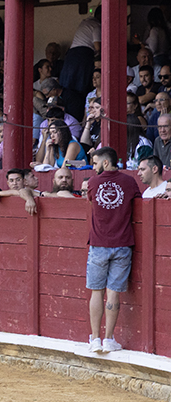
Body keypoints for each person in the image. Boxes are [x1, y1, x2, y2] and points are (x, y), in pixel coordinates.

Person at [85, 146, 142, 354]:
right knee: (113, 293)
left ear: (105, 162)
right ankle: (109, 339)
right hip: (122, 243)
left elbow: (90, 200)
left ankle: (95, 339)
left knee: (96, 292)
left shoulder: (93, 182)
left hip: (99, 244)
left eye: (96, 162)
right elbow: (138, 202)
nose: (94, 166)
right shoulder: (128, 181)